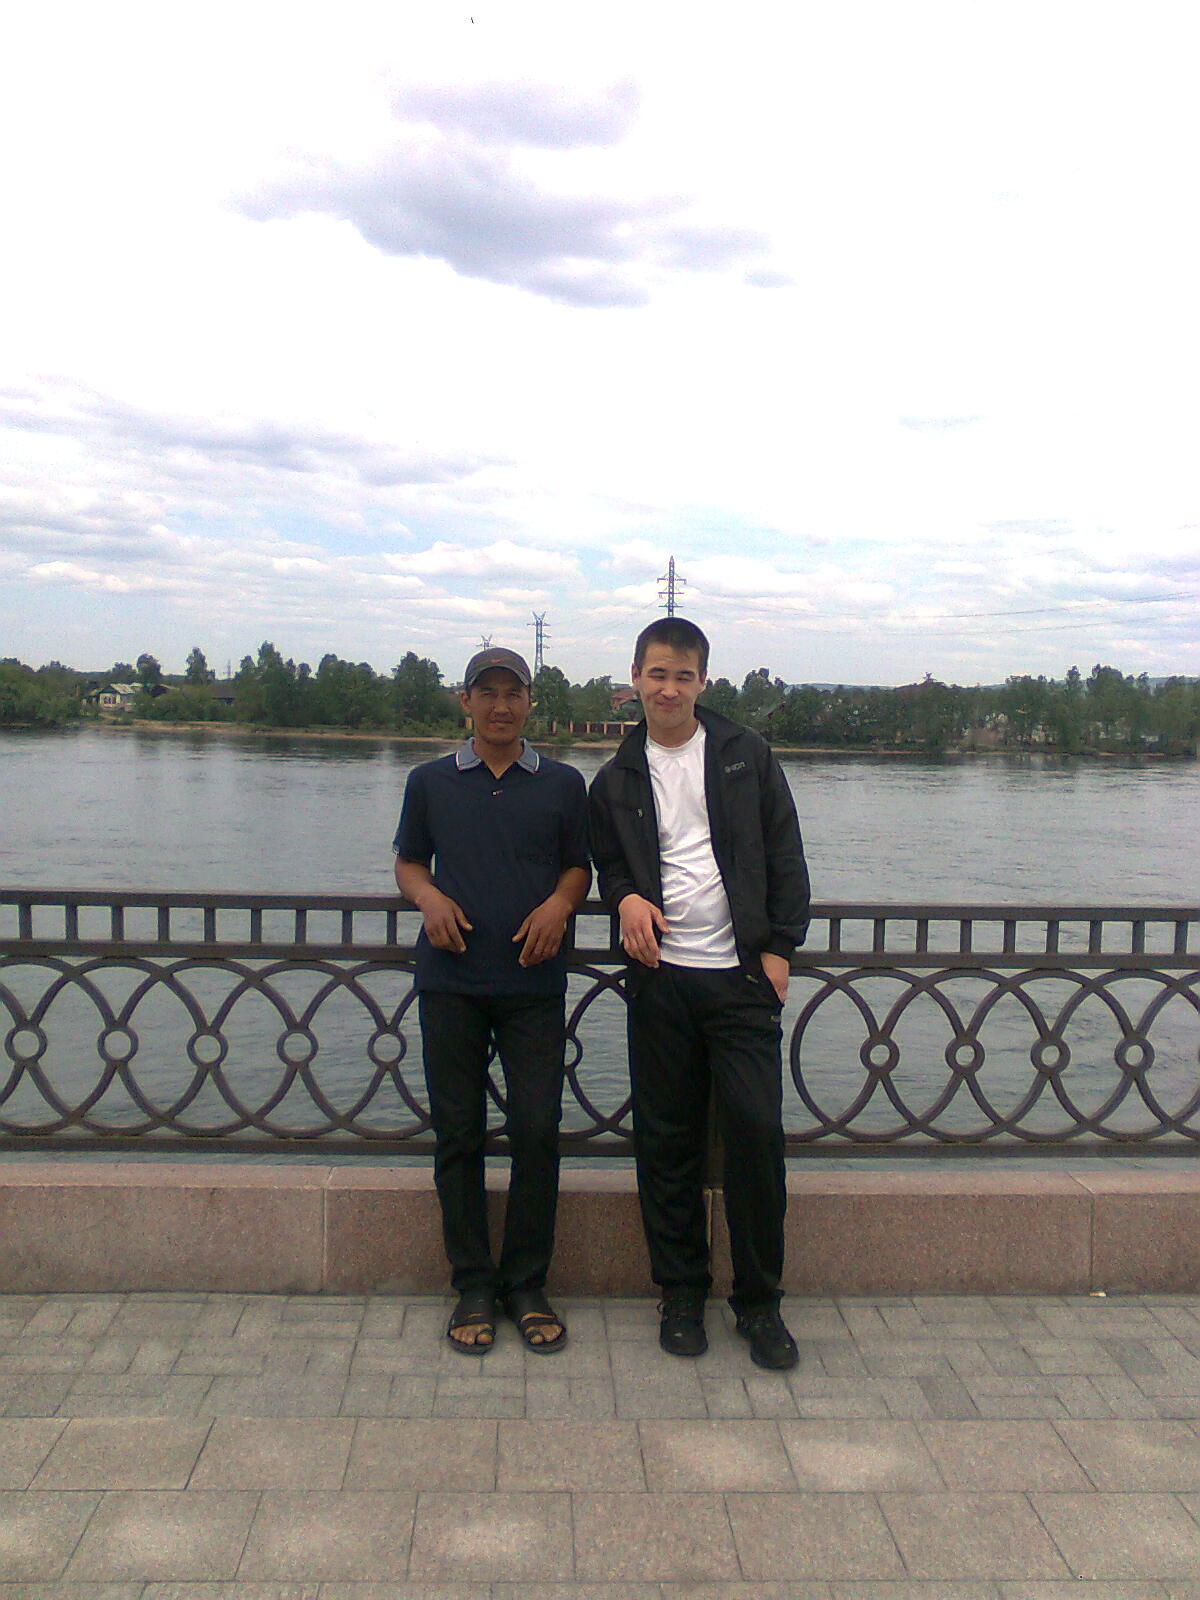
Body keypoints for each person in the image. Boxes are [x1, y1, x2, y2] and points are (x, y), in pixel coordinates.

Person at [588, 617, 810, 1369]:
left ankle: (760, 1303)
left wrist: (779, 949)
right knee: (667, 1142)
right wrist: (624, 897)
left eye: (683, 676)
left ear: (702, 682)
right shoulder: (616, 778)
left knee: (756, 1137)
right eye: (657, 674)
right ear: (635, 679)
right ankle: (681, 1293)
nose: (669, 689)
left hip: (742, 979)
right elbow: (610, 865)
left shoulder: (746, 755)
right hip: (661, 981)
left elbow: (785, 851)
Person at [393, 646, 590, 1355]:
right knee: (459, 1132)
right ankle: (472, 1283)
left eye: (513, 693)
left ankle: (527, 1283)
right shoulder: (429, 782)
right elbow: (409, 861)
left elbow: (578, 867)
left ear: (530, 703)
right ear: (466, 701)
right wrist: (427, 898)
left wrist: (560, 907)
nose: (501, 706)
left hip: (534, 984)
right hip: (451, 981)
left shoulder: (563, 784)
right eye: (488, 693)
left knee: (537, 1129)